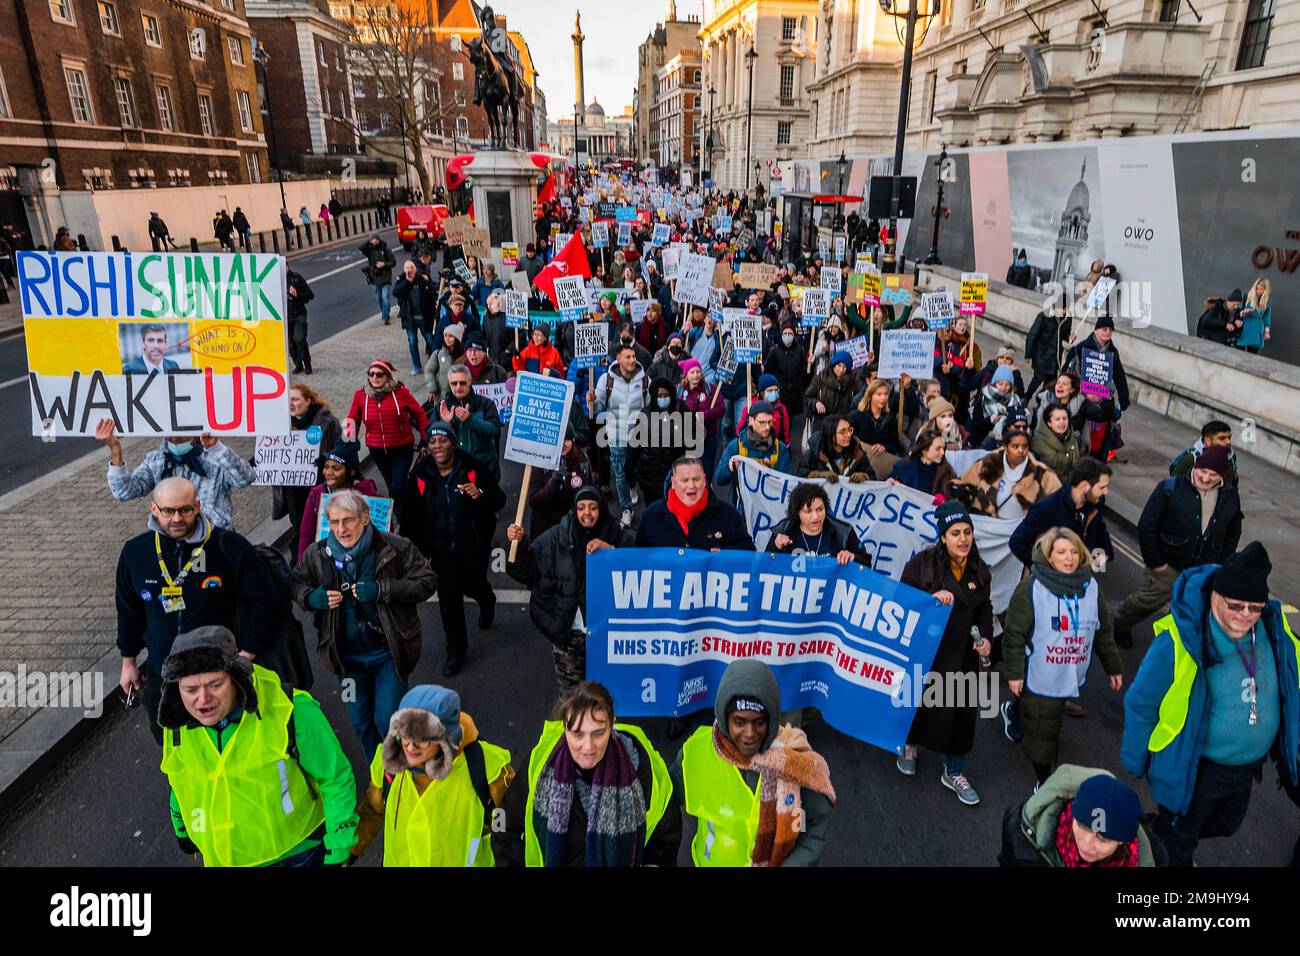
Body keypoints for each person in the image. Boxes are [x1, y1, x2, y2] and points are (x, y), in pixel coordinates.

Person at [1122, 543, 1299, 867]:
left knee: (1227, 825)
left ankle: (1163, 836)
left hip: (1246, 769)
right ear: (1216, 596)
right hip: (1194, 765)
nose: (1246, 615)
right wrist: (1136, 760)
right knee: (1179, 843)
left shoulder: (1274, 630)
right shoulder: (1180, 638)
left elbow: (1291, 677)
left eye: (1254, 607)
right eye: (1236, 605)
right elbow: (1141, 702)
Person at [158, 626, 359, 867]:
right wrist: (183, 830)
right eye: (190, 689)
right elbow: (181, 782)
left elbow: (335, 777)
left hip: (299, 853)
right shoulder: (176, 728)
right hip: (228, 860)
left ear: (236, 677)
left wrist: (339, 848)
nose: (202, 699)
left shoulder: (290, 708)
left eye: (214, 684)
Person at [116, 478, 276, 744]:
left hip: (218, 675)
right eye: (168, 511)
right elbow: (128, 610)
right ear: (153, 509)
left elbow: (264, 600)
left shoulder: (228, 546)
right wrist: (128, 662)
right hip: (163, 674)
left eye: (186, 510)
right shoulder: (136, 552)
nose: (177, 518)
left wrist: (247, 654)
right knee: (174, 751)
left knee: (227, 747)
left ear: (198, 506)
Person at [292, 490, 436, 753]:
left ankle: (396, 776)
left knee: (389, 722)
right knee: (362, 724)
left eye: (348, 520)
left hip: (387, 654)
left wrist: (384, 590)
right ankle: (378, 774)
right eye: (334, 522)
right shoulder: (317, 554)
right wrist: (310, 598)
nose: (341, 529)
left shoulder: (395, 547)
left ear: (366, 518)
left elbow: (426, 581)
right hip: (347, 662)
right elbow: (296, 583)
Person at [495, 681, 681, 866]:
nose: (588, 746)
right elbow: (502, 820)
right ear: (564, 726)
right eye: (577, 734)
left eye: (598, 733)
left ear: (612, 724)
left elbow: (668, 837)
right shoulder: (538, 765)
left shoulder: (643, 771)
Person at [670, 659, 835, 866]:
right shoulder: (696, 753)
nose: (749, 734)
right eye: (739, 722)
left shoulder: (796, 767)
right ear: (724, 717)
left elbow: (810, 828)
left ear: (772, 719)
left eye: (759, 722)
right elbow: (667, 799)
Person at [1001, 528, 1122, 784]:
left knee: (1042, 716)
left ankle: (1014, 710)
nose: (1069, 558)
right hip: (1040, 674)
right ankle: (1043, 780)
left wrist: (1113, 666)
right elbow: (1013, 635)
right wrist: (1013, 673)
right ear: (1049, 556)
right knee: (1043, 730)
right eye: (1061, 552)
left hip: (1069, 673)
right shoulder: (1031, 589)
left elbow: (1103, 631)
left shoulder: (1091, 587)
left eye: (1074, 551)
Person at [352, 685, 514, 866]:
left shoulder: (489, 771)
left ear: (447, 739)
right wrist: (347, 853)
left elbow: (511, 831)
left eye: (423, 738)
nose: (411, 747)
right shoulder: (387, 768)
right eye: (405, 735)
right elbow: (372, 811)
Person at [897, 502, 994, 805]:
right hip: (928, 653)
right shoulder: (921, 566)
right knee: (921, 705)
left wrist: (987, 637)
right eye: (955, 533)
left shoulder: (979, 568)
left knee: (963, 716)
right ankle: (910, 744)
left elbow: (984, 608)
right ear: (942, 537)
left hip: (964, 655)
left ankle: (954, 770)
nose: (963, 539)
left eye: (967, 532)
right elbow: (901, 603)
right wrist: (929, 599)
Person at [1113, 444, 1242, 649]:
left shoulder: (1230, 497)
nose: (1206, 478)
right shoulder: (1170, 488)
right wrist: (1156, 563)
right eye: (1202, 471)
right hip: (1167, 563)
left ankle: (1171, 647)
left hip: (1202, 569)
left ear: (1222, 476)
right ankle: (1121, 621)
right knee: (1148, 601)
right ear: (1195, 466)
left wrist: (1222, 562)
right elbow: (1147, 525)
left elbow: (1234, 531)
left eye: (1213, 474)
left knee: (1189, 608)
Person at [402, 422, 505, 676]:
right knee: (448, 601)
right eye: (433, 442)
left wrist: (479, 493)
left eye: (443, 441)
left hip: (472, 547)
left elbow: (499, 498)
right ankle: (455, 650)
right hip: (440, 553)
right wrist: (405, 546)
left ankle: (486, 598)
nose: (438, 446)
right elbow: (410, 515)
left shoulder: (471, 468)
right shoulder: (419, 476)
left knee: (474, 586)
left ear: (453, 443)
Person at [506, 488, 626, 689]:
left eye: (593, 507)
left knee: (604, 698)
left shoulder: (617, 534)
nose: (586, 513)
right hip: (569, 636)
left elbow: (641, 568)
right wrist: (516, 546)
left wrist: (613, 553)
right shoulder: (554, 539)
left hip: (608, 638)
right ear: (574, 509)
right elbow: (525, 572)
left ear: (602, 510)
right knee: (572, 699)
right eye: (581, 507)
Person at [97, 425, 256, 530]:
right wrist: (115, 449)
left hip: (214, 540)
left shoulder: (216, 457)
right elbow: (123, 491)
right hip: (171, 540)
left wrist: (217, 448)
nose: (173, 438)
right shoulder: (157, 460)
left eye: (180, 433)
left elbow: (245, 478)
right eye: (169, 432)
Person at [998, 767, 1157, 867]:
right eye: (1083, 826)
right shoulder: (1021, 828)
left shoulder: (1152, 858)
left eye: (1102, 838)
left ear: (1122, 841)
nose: (1086, 845)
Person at [344, 359, 428, 507]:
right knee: (392, 485)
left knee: (397, 486)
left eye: (379, 374)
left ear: (387, 376)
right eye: (371, 374)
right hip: (376, 449)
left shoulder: (401, 393)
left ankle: (402, 518)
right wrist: (350, 443)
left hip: (401, 447)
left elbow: (420, 415)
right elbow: (352, 419)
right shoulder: (361, 395)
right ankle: (403, 509)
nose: (374, 378)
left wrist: (425, 438)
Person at [1009, 458, 1113, 569]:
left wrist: (1094, 567)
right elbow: (1016, 542)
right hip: (1055, 583)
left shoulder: (1094, 503)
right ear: (1084, 486)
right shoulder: (1046, 508)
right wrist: (1044, 570)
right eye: (1102, 487)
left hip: (1081, 580)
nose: (1106, 492)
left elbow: (1101, 533)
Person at [636, 457, 754, 550]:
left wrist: (725, 555)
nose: (691, 486)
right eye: (685, 480)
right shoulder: (651, 516)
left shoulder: (728, 514)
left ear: (704, 479)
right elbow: (638, 560)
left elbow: (748, 552)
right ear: (673, 482)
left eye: (696, 479)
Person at [593, 343, 650, 529]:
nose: (632, 360)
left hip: (638, 435)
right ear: (618, 359)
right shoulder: (605, 380)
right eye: (628, 357)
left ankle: (632, 483)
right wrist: (591, 401)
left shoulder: (644, 380)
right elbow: (597, 410)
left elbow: (649, 407)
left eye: (633, 356)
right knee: (619, 473)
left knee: (635, 469)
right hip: (616, 434)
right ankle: (626, 509)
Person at [296, 440, 378, 561]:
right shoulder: (317, 495)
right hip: (328, 563)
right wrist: (302, 570)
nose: (328, 472)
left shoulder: (367, 495)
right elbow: (306, 535)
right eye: (326, 467)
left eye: (336, 468)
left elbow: (382, 532)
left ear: (351, 471)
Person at [280, 384, 340, 546]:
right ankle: (303, 562)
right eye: (288, 400)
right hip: (293, 487)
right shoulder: (280, 424)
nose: (290, 404)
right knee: (299, 527)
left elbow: (342, 450)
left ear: (308, 401)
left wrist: (326, 459)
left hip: (319, 483)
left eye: (295, 399)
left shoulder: (328, 422)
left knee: (321, 524)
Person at [959, 427, 1060, 522]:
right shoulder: (986, 465)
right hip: (990, 528)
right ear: (1006, 448)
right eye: (1015, 446)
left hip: (1024, 531)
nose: (1020, 451)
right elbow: (964, 485)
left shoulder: (1043, 474)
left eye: (1024, 446)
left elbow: (1058, 503)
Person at [766, 482, 870, 566]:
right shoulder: (784, 531)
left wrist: (853, 557)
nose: (815, 517)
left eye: (820, 509)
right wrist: (775, 547)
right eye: (808, 511)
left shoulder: (843, 532)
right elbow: (763, 568)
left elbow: (867, 563)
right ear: (797, 512)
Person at [436, 364, 503, 483]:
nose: (458, 387)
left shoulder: (485, 403)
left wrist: (470, 420)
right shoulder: (442, 407)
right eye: (454, 383)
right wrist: (446, 424)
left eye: (462, 383)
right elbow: (434, 441)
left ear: (469, 381)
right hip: (456, 471)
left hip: (485, 469)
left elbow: (495, 431)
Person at [630, 377, 691, 506]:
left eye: (666, 395)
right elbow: (634, 446)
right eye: (659, 396)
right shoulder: (644, 415)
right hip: (650, 476)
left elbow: (694, 434)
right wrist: (629, 471)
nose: (663, 398)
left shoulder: (681, 410)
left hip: (674, 474)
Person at [714, 399, 793, 499]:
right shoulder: (736, 446)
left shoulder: (780, 448)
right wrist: (730, 469)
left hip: (769, 504)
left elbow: (788, 482)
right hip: (742, 507)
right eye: (762, 422)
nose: (767, 427)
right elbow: (719, 479)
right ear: (751, 420)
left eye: (770, 422)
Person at [1064, 316, 1129, 411]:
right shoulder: (1081, 348)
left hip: (1100, 398)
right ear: (1096, 330)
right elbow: (1066, 369)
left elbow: (1119, 375)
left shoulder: (1113, 352)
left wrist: (1124, 399)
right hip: (1080, 395)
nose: (1108, 332)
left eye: (1110, 330)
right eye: (1104, 329)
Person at [677, 357, 726, 479]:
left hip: (708, 437)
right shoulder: (679, 390)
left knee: (706, 471)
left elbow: (721, 409)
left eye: (698, 372)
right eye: (692, 372)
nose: (695, 375)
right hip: (687, 439)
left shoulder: (710, 388)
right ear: (686, 375)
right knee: (689, 472)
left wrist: (703, 415)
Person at [1024, 295, 1074, 399]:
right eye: (1062, 309)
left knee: (1050, 385)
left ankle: (1041, 402)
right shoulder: (1044, 316)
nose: (1064, 312)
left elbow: (1065, 336)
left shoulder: (1067, 318)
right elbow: (1032, 334)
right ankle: (1026, 398)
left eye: (1066, 309)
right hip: (1042, 355)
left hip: (1055, 359)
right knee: (1037, 380)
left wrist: (1071, 338)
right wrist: (1028, 354)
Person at [393, 260, 437, 375]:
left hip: (424, 317)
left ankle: (435, 364)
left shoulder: (422, 280)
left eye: (412, 267)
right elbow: (396, 292)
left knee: (430, 340)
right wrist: (408, 281)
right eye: (407, 268)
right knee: (412, 342)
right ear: (404, 270)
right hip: (410, 318)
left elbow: (432, 292)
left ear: (415, 269)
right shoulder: (401, 281)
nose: (410, 270)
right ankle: (417, 366)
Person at [887, 427, 956, 498]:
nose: (942, 452)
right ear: (924, 450)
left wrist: (945, 498)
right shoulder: (903, 466)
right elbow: (884, 487)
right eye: (938, 449)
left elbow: (954, 495)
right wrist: (890, 483)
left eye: (943, 448)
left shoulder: (947, 472)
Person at [804, 414, 875, 482]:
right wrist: (818, 475)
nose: (848, 434)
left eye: (850, 430)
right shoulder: (814, 453)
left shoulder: (857, 453)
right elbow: (799, 477)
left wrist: (864, 476)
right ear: (831, 434)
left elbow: (873, 478)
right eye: (843, 432)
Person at [1170, 419, 1239, 488]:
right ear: (1208, 441)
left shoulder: (1231, 457)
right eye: (1222, 438)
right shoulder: (1191, 459)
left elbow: (1233, 484)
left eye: (1229, 438)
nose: (1228, 442)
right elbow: (1171, 488)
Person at [969, 364, 1024, 448]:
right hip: (983, 441)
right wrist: (991, 420)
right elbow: (976, 425)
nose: (1003, 388)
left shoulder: (1015, 400)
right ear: (994, 383)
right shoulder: (985, 398)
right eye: (1000, 383)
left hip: (1008, 442)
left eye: (1007, 384)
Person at [1031, 404, 1084, 487]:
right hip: (1049, 492)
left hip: (1070, 490)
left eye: (1065, 418)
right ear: (1049, 423)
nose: (1062, 422)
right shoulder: (1036, 442)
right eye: (1057, 419)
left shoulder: (1075, 438)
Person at [283, 268, 317, 374]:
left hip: (298, 314)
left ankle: (307, 363)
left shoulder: (296, 278)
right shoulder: (275, 281)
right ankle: (298, 365)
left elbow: (310, 295)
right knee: (290, 344)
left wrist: (297, 295)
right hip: (285, 316)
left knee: (300, 339)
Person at [360, 234, 397, 325]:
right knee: (379, 298)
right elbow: (361, 248)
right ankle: (384, 311)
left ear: (379, 240)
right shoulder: (370, 251)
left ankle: (385, 316)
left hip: (385, 278)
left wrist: (384, 264)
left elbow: (393, 262)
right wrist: (369, 241)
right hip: (375, 279)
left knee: (385, 297)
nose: (375, 241)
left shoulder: (385, 250)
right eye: (373, 239)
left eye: (376, 239)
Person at [1236, 278, 1271, 354]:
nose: (1258, 291)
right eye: (1257, 288)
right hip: (1243, 329)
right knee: (1238, 354)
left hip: (1256, 331)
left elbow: (1266, 317)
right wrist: (1244, 313)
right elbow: (1237, 312)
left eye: (1261, 289)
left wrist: (1267, 332)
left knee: (1251, 357)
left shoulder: (1266, 301)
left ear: (1265, 290)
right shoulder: (1246, 297)